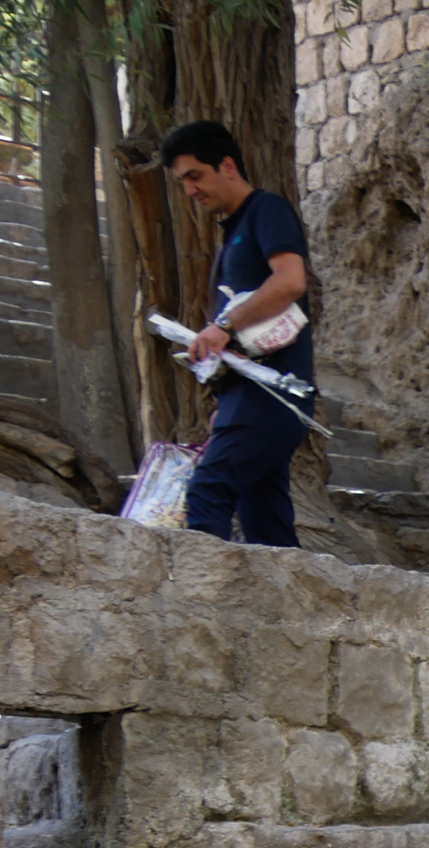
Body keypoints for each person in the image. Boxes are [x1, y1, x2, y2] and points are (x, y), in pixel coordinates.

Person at [160, 119, 314, 548]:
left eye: (195, 175)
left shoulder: (267, 210)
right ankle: (292, 613)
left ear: (227, 165)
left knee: (208, 490)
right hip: (250, 394)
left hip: (275, 391)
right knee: (265, 523)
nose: (190, 190)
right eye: (182, 181)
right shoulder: (234, 231)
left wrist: (222, 326)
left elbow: (290, 282)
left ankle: (200, 609)